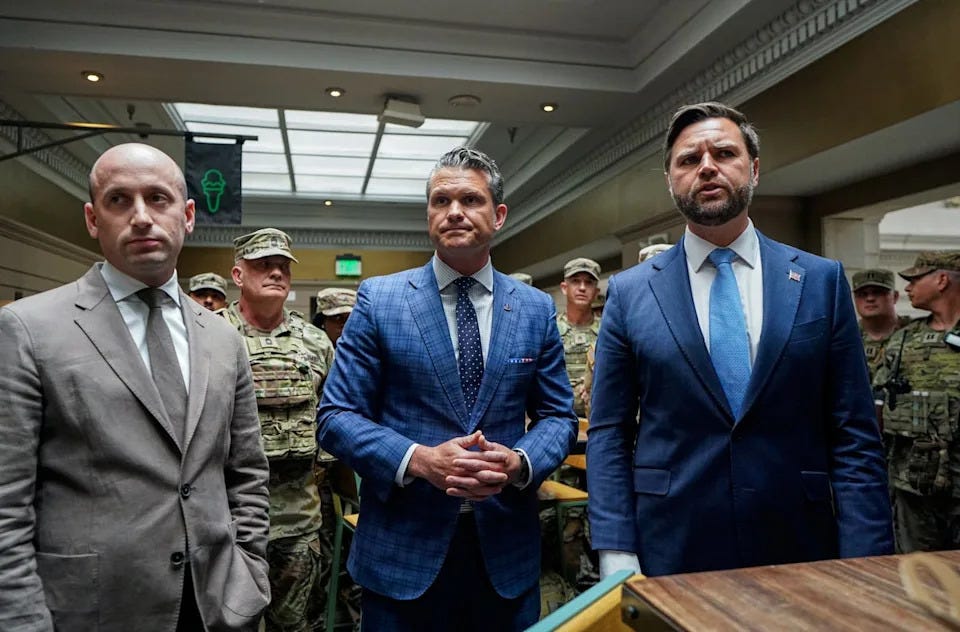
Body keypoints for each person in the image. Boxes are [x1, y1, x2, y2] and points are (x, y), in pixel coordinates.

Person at [587, 102, 893, 578]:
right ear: (670, 181)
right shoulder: (630, 293)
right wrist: (615, 547)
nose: (706, 166)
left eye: (724, 153)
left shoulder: (819, 279)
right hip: (671, 541)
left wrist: (868, 554)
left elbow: (853, 431)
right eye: (688, 160)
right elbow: (609, 432)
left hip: (800, 541)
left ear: (753, 169)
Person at [0, 143, 270, 631]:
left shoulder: (224, 339)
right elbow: (6, 501)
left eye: (158, 199)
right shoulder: (28, 329)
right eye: (119, 200)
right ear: (91, 218)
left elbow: (246, 472)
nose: (142, 217)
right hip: (91, 609)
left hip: (215, 606)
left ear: (187, 215)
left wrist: (249, 573)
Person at [317, 147, 577, 630]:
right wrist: (419, 460)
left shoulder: (535, 309)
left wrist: (519, 462)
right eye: (441, 201)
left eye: (470, 200)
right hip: (402, 553)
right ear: (428, 215)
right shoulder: (380, 299)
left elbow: (559, 417)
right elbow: (335, 417)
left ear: (498, 215)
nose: (454, 211)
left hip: (504, 551)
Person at [220, 228, 335, 632]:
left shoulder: (316, 343)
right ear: (238, 275)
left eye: (283, 266)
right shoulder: (210, 336)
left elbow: (333, 419)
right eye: (263, 265)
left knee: (295, 624)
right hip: (226, 520)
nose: (275, 273)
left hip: (299, 520)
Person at [874, 252, 960, 553]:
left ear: (941, 279)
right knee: (918, 577)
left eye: (914, 280)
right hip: (913, 486)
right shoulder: (903, 340)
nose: (907, 288)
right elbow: (880, 405)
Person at [557, 258, 601, 418]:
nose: (582, 288)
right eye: (576, 281)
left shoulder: (608, 331)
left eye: (589, 282)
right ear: (564, 288)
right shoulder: (550, 329)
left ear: (596, 291)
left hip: (596, 418)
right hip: (557, 417)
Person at [852, 268, 911, 383]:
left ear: (895, 296)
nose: (870, 299)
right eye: (862, 294)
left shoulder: (913, 333)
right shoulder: (845, 337)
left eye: (878, 292)